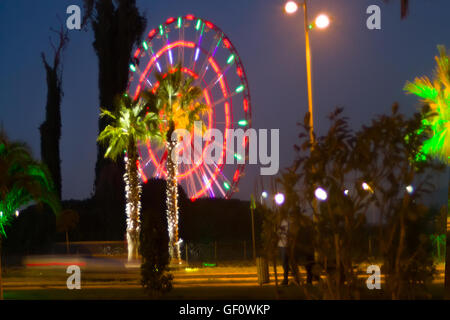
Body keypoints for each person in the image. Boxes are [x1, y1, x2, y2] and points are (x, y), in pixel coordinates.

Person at [278, 216, 290, 285]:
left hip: (285, 245)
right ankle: (286, 278)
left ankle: (286, 279)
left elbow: (286, 233)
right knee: (284, 263)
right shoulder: (280, 221)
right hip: (280, 244)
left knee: (285, 263)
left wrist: (281, 231)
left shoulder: (286, 222)